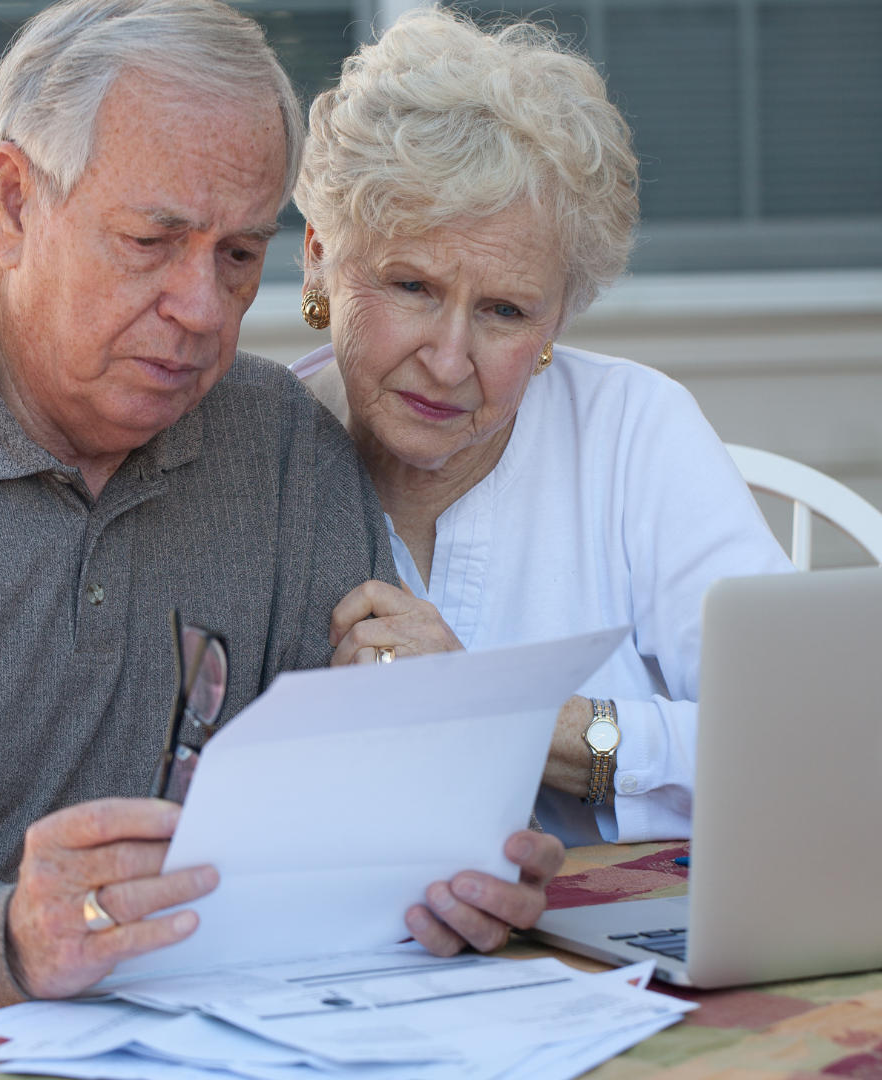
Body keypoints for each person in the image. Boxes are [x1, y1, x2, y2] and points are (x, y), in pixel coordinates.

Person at [0, 2, 563, 1071]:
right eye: (153, 241)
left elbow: (338, 838)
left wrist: (440, 874)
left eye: (240, 253)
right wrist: (9, 941)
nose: (203, 307)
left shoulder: (285, 452)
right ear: (14, 204)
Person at [295, 8, 793, 904]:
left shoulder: (635, 432)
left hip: (627, 953)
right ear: (321, 262)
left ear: (558, 321)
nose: (450, 361)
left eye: (506, 311)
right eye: (412, 286)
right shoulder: (249, 459)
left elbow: (798, 739)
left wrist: (507, 718)